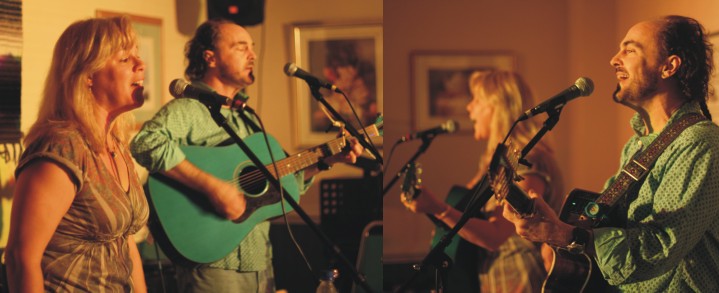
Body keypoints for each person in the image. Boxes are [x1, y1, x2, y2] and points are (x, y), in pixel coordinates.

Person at [502, 15, 719, 292]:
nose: (614, 59)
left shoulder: (701, 143)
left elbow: (658, 246)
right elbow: (604, 223)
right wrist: (554, 227)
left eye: (630, 49)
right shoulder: (638, 145)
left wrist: (563, 234)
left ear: (669, 66)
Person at [130, 19, 363, 292]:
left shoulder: (247, 118)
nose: (252, 55)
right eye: (241, 48)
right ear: (210, 57)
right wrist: (213, 187)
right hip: (212, 265)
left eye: (252, 48)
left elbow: (278, 183)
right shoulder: (189, 109)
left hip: (260, 261)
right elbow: (146, 142)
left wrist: (327, 160)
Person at [5, 17, 148, 292]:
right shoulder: (61, 148)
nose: (140, 64)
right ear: (88, 75)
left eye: (137, 55)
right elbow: (21, 258)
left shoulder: (115, 145)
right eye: (124, 59)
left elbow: (125, 240)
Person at [401, 70, 564, 293]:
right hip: (492, 278)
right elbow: (465, 214)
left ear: (498, 107)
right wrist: (429, 207)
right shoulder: (493, 163)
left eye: (477, 100)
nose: (469, 108)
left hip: (520, 279)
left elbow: (495, 235)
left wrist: (438, 209)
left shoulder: (530, 161)